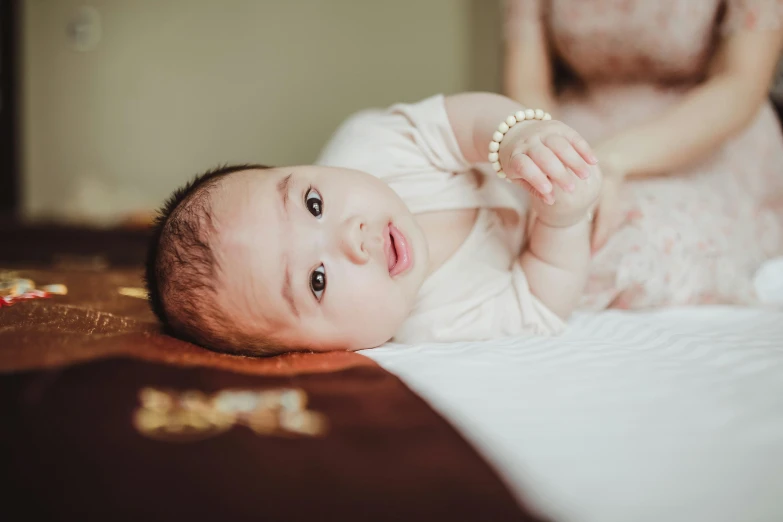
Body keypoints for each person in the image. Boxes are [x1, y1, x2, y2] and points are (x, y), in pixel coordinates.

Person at [144, 92, 601, 356]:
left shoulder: (372, 146)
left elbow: (461, 122)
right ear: (314, 351)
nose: (351, 237)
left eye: (313, 203)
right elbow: (542, 301)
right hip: (598, 246)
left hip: (567, 140)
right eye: (316, 281)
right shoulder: (434, 325)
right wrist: (564, 221)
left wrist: (517, 136)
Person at [504, 0, 783, 309]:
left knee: (625, 245)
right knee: (485, 223)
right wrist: (550, 152)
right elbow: (529, 85)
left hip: (702, 135)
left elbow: (740, 84)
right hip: (573, 129)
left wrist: (604, 163)